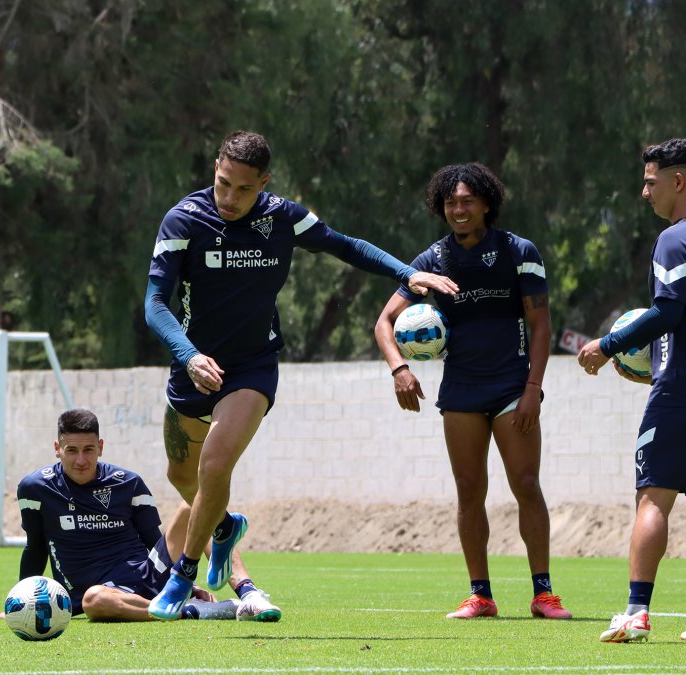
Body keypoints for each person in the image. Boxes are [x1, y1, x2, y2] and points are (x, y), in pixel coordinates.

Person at [144, 131, 458, 620]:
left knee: (214, 465)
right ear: (215, 168)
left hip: (252, 365)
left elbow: (346, 246)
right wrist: (188, 355)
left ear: (264, 182)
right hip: (193, 365)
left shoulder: (283, 217)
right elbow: (154, 303)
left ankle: (181, 576)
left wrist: (406, 272)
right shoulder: (183, 220)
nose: (230, 197)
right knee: (180, 475)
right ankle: (224, 527)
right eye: (223, 183)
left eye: (244, 189)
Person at [372, 162, 571, 621]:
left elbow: (541, 325)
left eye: (467, 201)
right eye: (450, 202)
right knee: (468, 490)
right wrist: (399, 368)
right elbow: (384, 322)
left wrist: (533, 388)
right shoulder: (431, 261)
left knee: (526, 484)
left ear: (486, 204)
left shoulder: (518, 251)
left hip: (512, 386)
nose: (458, 209)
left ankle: (543, 594)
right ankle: (480, 595)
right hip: (461, 389)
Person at [577, 138, 686, 643]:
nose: (644, 192)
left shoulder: (675, 238)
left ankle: (635, 613)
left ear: (678, 181)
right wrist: (653, 362)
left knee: (652, 497)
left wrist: (608, 346)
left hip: (683, 390)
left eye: (651, 182)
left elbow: (668, 311)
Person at [3, 408, 251, 622]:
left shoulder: (128, 483)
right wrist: (22, 602)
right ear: (57, 449)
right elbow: (36, 547)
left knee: (193, 505)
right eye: (72, 450)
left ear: (101, 447)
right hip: (101, 594)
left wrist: (186, 582)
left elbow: (153, 541)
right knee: (94, 600)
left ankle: (248, 593)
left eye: (88, 450)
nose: (81, 460)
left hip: (148, 576)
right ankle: (189, 611)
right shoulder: (35, 488)